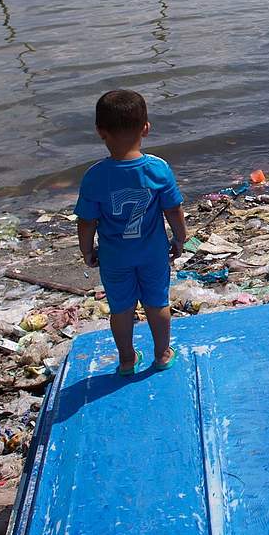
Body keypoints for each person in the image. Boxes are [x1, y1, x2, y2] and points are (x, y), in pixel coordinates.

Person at [75, 89, 185, 375]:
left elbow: (87, 222)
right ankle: (161, 354)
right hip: (152, 253)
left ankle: (126, 360)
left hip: (114, 257)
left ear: (101, 131)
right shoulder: (158, 169)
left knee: (121, 309)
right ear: (146, 128)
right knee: (157, 302)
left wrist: (86, 250)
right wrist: (180, 238)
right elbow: (173, 210)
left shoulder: (95, 176)